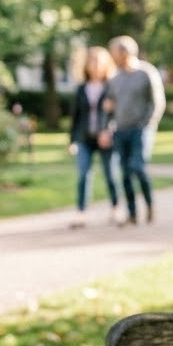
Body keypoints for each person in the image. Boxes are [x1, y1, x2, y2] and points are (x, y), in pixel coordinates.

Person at [105, 35, 165, 226]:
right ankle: (132, 213)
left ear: (125, 52)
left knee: (138, 167)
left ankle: (149, 205)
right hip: (121, 130)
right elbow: (110, 106)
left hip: (141, 129)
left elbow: (157, 103)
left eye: (114, 53)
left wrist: (147, 124)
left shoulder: (147, 73)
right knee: (125, 173)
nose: (112, 57)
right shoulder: (115, 78)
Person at [67, 46, 121, 227]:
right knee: (83, 175)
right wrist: (72, 140)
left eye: (99, 61)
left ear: (106, 64)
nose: (96, 65)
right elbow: (75, 117)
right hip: (85, 138)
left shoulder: (112, 87)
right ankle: (81, 212)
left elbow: (117, 115)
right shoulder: (81, 88)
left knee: (110, 174)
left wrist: (109, 131)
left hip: (106, 138)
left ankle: (116, 208)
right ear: (87, 65)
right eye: (92, 61)